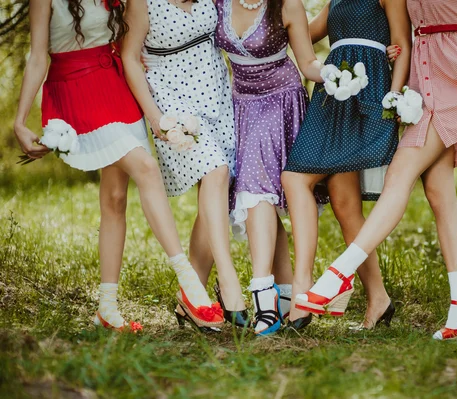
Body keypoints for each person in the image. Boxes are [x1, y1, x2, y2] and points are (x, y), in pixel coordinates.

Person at [296, 0, 457, 340]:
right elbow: (390, 25)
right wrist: (386, 52)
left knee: (400, 175)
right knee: (439, 193)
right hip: (424, 80)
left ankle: (338, 275)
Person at [14, 0, 224, 331]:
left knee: (115, 199)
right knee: (146, 168)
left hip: (115, 87)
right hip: (75, 89)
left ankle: (106, 309)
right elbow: (39, 56)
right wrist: (20, 120)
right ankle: (189, 281)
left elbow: (135, 39)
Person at [281, 0, 411, 329]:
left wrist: (392, 100)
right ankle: (379, 299)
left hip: (369, 92)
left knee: (295, 178)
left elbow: (403, 45)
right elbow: (302, 33)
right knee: (344, 203)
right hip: (333, 94)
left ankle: (302, 291)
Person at [121, 0, 248, 328]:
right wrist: (156, 117)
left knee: (216, 185)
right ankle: (229, 281)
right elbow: (129, 58)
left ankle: (191, 300)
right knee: (215, 172)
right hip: (170, 99)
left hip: (216, 90)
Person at [213, 0, 326, 335]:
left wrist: (336, 75)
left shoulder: (287, 5)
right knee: (258, 197)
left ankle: (263, 296)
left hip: (280, 100)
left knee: (256, 190)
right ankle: (287, 294)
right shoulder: (217, 4)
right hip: (240, 103)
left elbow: (307, 62)